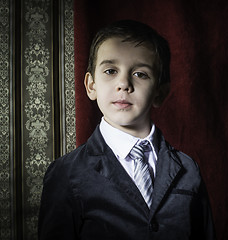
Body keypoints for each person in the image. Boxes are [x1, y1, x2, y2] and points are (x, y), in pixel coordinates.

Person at [38, 19, 215, 240]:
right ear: (91, 86)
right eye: (111, 71)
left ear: (160, 92)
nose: (123, 84)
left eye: (140, 74)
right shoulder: (66, 173)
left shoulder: (188, 169)